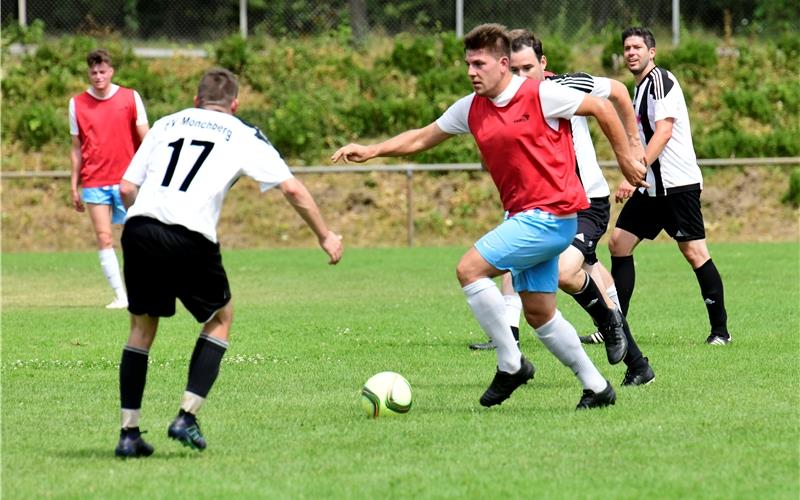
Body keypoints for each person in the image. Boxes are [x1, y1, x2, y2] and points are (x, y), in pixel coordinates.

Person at [333, 24, 648, 409]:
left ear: (503, 64)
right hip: (526, 217)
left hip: (551, 216)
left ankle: (510, 363)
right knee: (540, 315)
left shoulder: (541, 94)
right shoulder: (471, 107)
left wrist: (626, 158)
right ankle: (597, 387)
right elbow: (421, 137)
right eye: (467, 64)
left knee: (469, 270)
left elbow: (602, 105)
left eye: (479, 63)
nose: (471, 72)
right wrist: (372, 150)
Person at [113, 68, 343, 458]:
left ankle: (128, 434)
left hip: (139, 228)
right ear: (234, 104)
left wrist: (152, 225)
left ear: (196, 97)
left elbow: (125, 188)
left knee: (141, 328)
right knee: (220, 318)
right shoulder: (241, 132)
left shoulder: (167, 122)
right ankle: (187, 415)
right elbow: (291, 188)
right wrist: (325, 235)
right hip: (189, 235)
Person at [469, 29, 655, 386]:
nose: (522, 77)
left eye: (528, 68)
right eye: (516, 70)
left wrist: (632, 146)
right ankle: (637, 364)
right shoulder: (505, 101)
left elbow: (615, 92)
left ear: (543, 63)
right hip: (544, 207)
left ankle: (607, 332)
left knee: (566, 273)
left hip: (586, 202)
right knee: (541, 273)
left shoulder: (565, 87)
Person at [609, 27, 731, 346]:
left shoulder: (660, 81)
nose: (631, 52)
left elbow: (663, 132)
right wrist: (635, 176)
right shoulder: (639, 89)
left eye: (637, 47)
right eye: (627, 48)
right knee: (618, 243)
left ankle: (720, 331)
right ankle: (615, 327)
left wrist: (634, 171)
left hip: (678, 186)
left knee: (694, 252)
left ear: (652, 52)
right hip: (651, 188)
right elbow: (644, 139)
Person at [69, 49, 149, 309]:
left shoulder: (130, 97)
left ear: (111, 71)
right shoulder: (77, 103)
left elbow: (147, 139)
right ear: (88, 73)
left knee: (134, 238)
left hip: (127, 181)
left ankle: (141, 291)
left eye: (102, 71)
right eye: (93, 72)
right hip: (94, 181)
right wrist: (74, 184)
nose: (98, 76)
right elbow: (76, 147)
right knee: (104, 237)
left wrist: (151, 174)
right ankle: (121, 296)